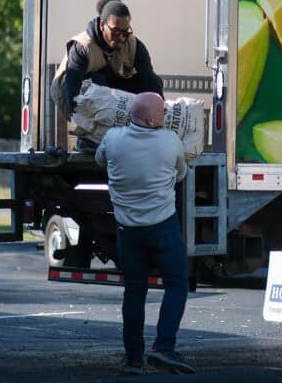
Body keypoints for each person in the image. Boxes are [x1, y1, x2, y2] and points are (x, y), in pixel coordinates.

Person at [95, 92, 194, 375]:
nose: (165, 116)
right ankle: (163, 347)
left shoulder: (113, 139)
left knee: (135, 292)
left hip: (128, 230)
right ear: (151, 120)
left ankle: (134, 359)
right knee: (177, 284)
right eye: (162, 112)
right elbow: (181, 174)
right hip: (162, 225)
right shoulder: (170, 141)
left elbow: (101, 160)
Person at [51, 0, 163, 119]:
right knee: (99, 81)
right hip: (70, 90)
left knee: (152, 81)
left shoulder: (134, 45)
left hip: (108, 86)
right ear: (102, 25)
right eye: (115, 32)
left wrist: (160, 112)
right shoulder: (83, 47)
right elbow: (72, 89)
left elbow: (149, 80)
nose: (121, 38)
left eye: (125, 32)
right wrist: (82, 121)